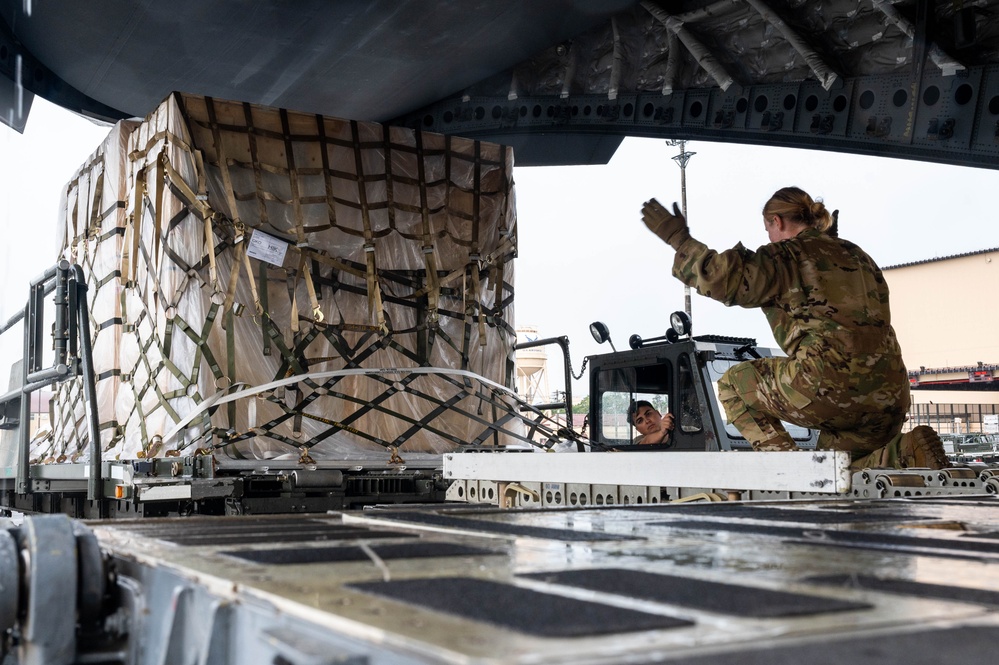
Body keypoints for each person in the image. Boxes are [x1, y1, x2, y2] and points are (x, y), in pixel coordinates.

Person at [640, 187, 948, 469]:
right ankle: (904, 451)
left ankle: (793, 471)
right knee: (833, 468)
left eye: (768, 229)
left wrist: (678, 240)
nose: (769, 238)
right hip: (889, 395)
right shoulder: (858, 256)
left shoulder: (785, 255)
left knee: (734, 384)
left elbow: (723, 280)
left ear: (776, 221)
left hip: (829, 385)